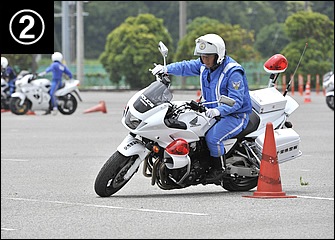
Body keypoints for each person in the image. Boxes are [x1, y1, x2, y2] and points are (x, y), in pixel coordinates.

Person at [151, 33, 252, 182]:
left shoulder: (233, 71)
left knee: (213, 138)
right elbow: (185, 66)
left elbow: (236, 100)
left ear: (218, 55)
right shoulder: (204, 65)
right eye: (202, 56)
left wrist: (218, 110)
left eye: (208, 56)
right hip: (210, 112)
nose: (204, 60)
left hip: (235, 115)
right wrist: (166, 69)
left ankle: (219, 169)